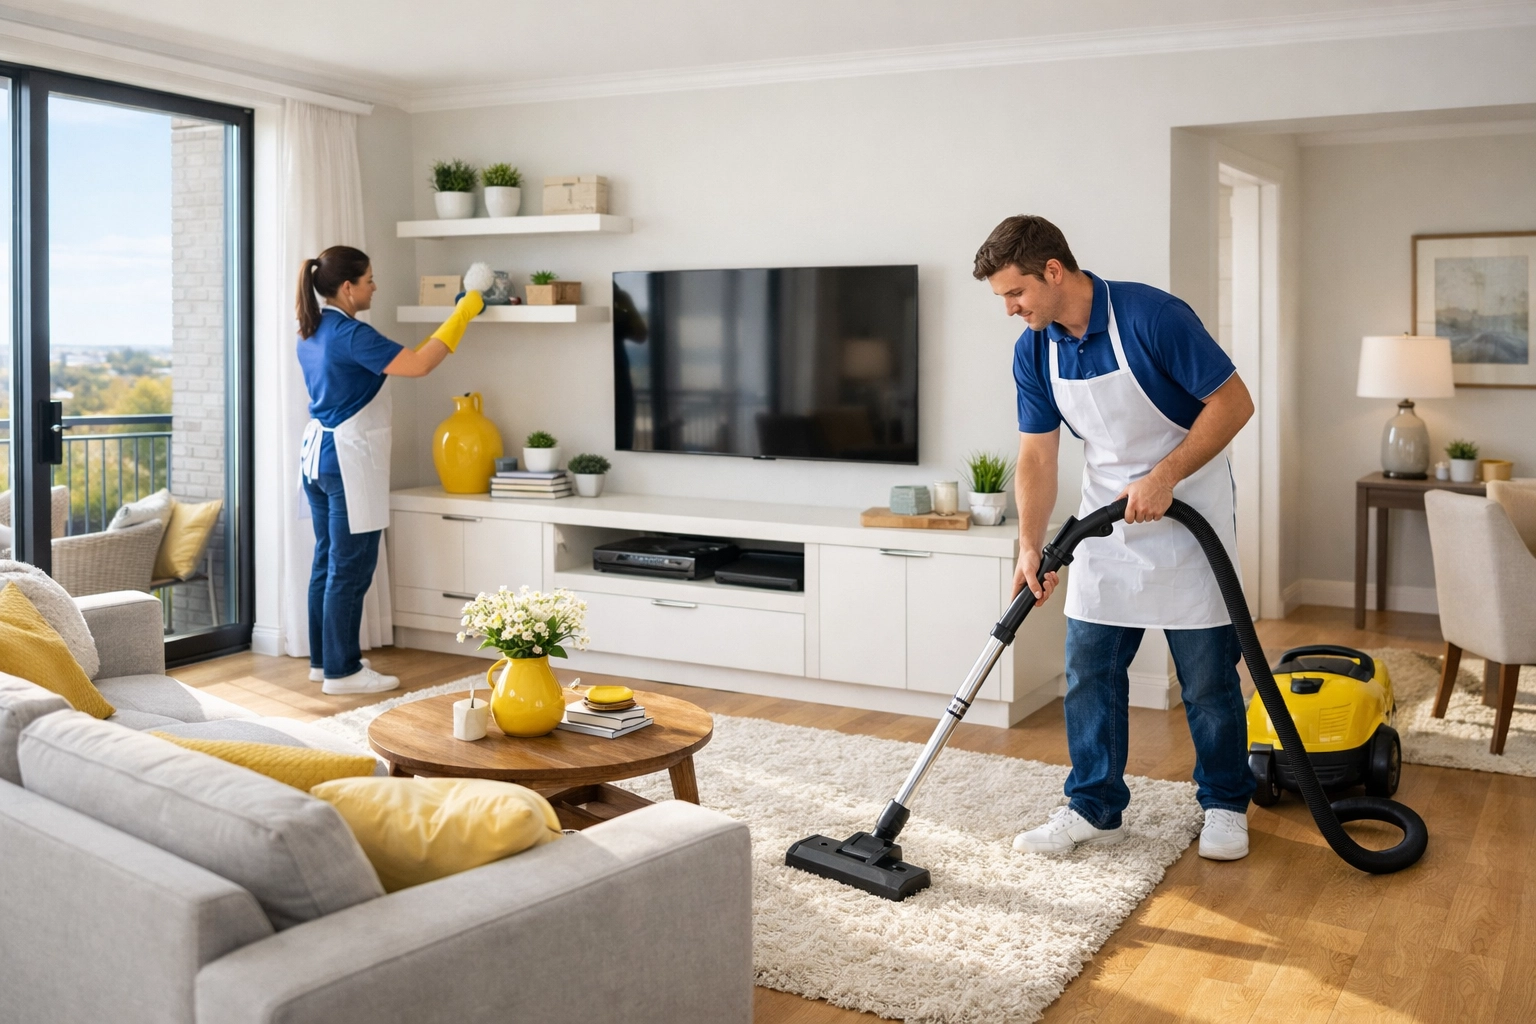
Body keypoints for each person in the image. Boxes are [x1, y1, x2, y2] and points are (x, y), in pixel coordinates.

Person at [975, 215, 1257, 861]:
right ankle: (1095, 808)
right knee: (1091, 673)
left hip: (1193, 520)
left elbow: (1234, 403)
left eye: (1014, 294)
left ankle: (1224, 803)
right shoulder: (1036, 348)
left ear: (1052, 270)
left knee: (1209, 681)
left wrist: (1165, 476)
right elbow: (1037, 459)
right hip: (1103, 525)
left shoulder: (1152, 316)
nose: (1011, 310)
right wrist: (1029, 547)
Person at [296, 246, 483, 695]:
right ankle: (343, 672)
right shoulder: (348, 334)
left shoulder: (313, 329)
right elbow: (419, 364)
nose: (374, 287)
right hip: (346, 461)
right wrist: (465, 310)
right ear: (348, 287)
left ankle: (324, 663)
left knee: (327, 561)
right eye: (369, 280)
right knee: (351, 568)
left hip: (317, 459)